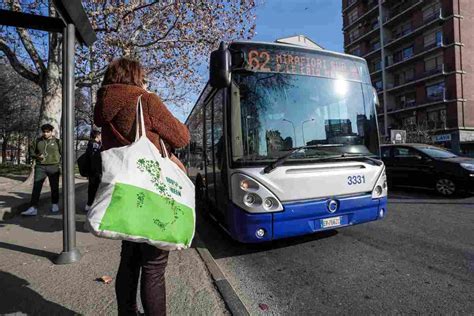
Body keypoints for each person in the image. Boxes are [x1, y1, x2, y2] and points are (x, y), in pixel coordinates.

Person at [94, 57, 190, 316]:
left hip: (125, 192)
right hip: (151, 192)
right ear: (136, 76)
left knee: (128, 260)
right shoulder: (145, 100)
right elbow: (182, 137)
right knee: (154, 267)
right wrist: (148, 96)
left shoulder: (103, 107)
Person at [22, 124, 61, 216]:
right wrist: (37, 156)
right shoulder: (37, 141)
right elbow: (31, 152)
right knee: (36, 187)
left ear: (52, 132)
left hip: (53, 166)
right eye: (44, 131)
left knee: (54, 187)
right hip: (40, 167)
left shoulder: (58, 141)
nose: (45, 133)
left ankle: (55, 204)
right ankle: (33, 207)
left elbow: (64, 153)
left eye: (48, 131)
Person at [84, 130, 102, 212]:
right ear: (97, 136)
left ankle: (90, 204)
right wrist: (97, 171)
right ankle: (90, 204)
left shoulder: (92, 144)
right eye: (100, 135)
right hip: (95, 171)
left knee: (92, 187)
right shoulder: (94, 145)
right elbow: (94, 159)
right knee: (94, 188)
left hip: (92, 170)